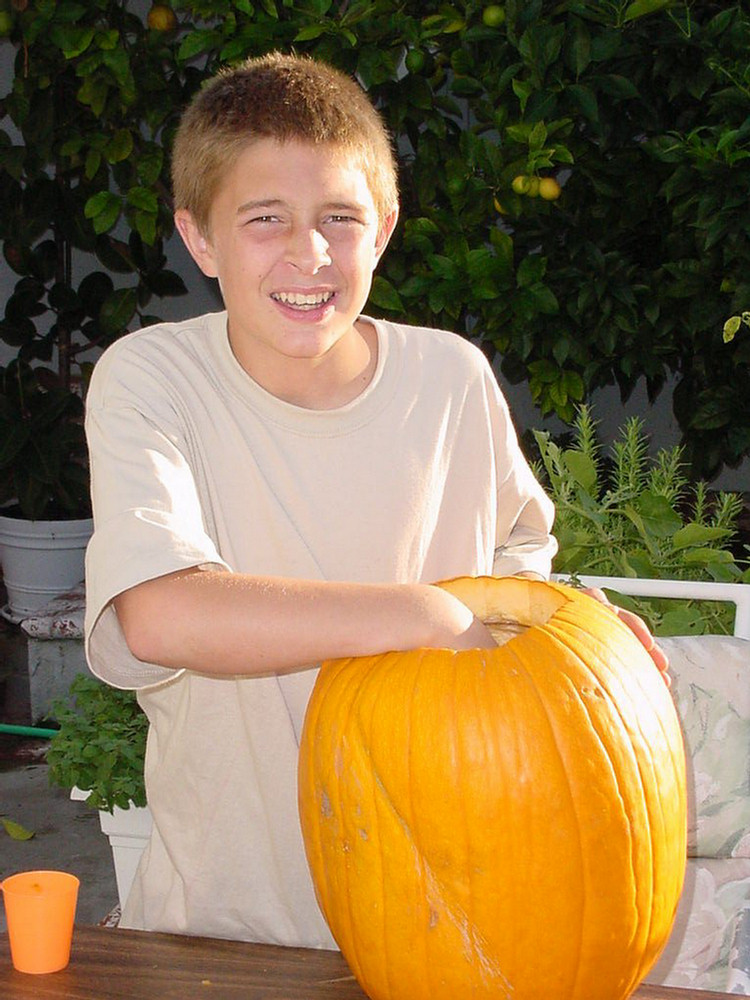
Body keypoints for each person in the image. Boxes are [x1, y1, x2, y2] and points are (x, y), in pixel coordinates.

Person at [83, 51, 666, 948]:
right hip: (235, 930)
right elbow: (161, 614)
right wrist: (427, 618)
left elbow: (512, 571)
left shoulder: (451, 380)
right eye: (265, 218)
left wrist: (575, 632)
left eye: (339, 219)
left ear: (384, 227)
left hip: (454, 927)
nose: (308, 253)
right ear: (199, 237)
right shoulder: (154, 381)